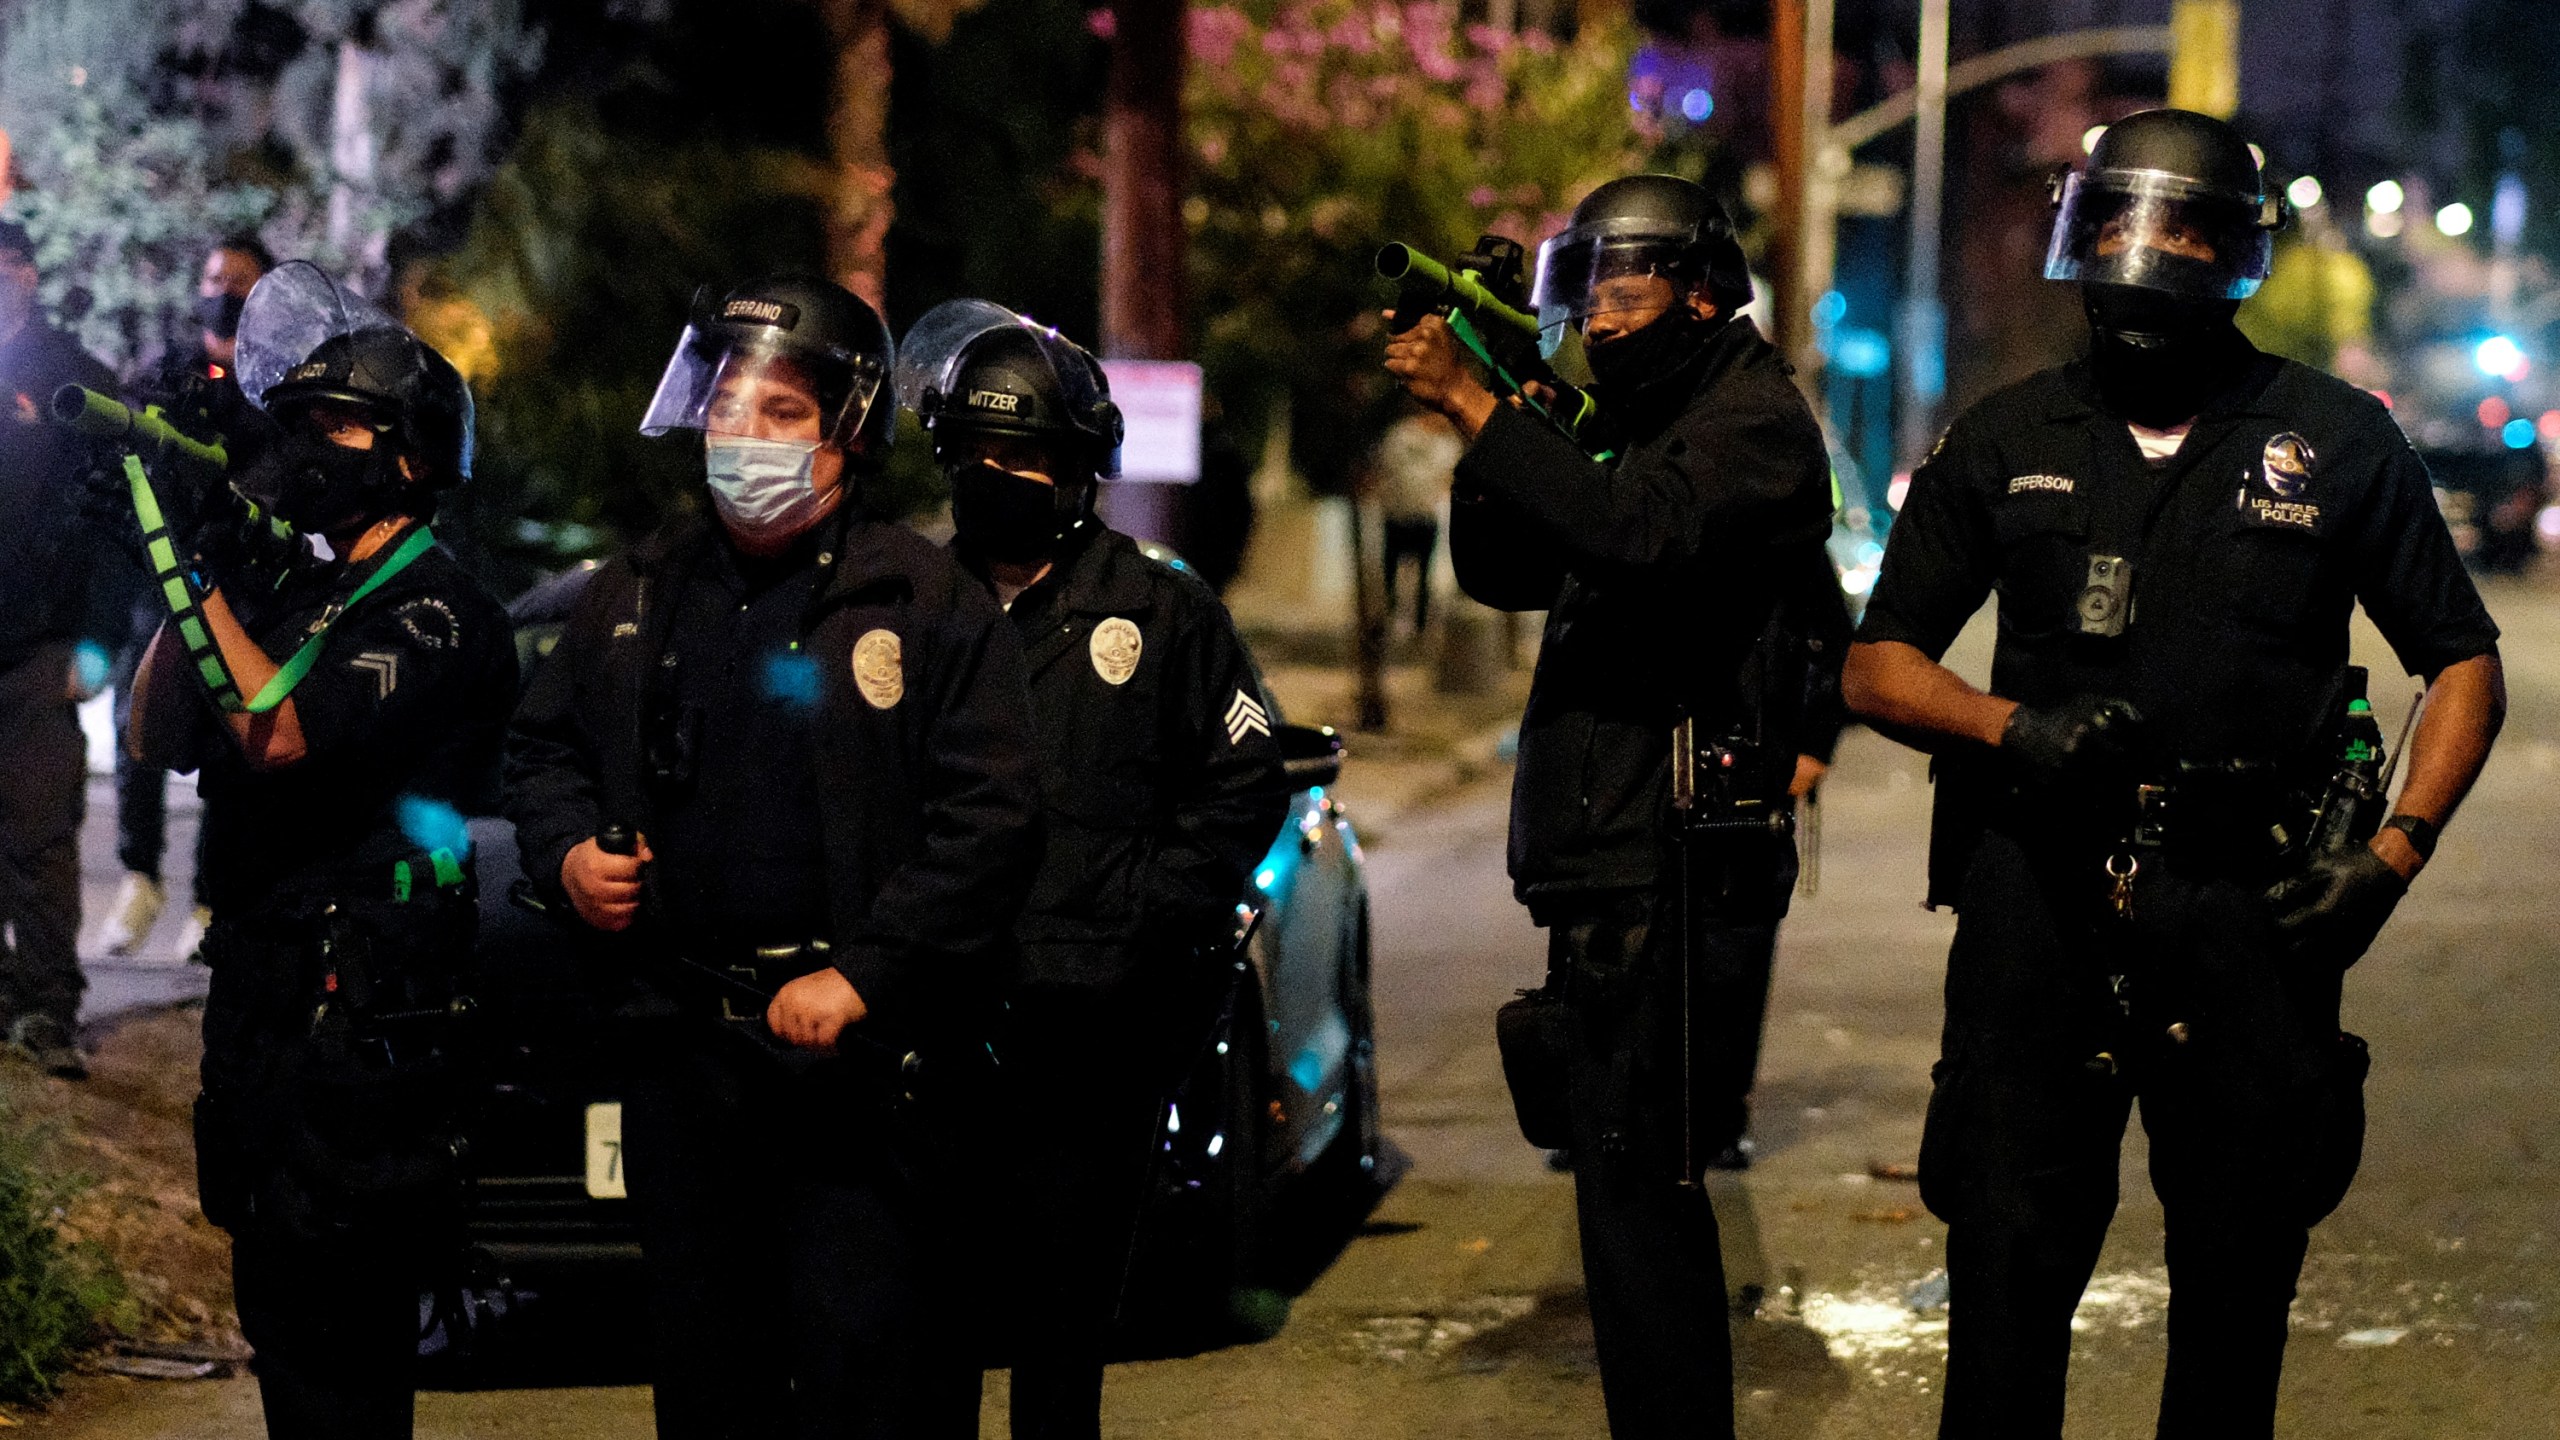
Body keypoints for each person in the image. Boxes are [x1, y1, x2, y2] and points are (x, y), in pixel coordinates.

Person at [1841, 110, 2505, 1437]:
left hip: (2250, 916)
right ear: (2080, 242)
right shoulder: (2006, 432)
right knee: (2006, 1305)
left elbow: (2463, 666)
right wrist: (2005, 730)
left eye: (2189, 229)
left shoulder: (2333, 441)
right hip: (2038, 905)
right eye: (2123, 227)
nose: (2151, 259)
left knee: (2233, 1312)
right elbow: (1878, 666)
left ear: (2240, 254)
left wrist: (2393, 856)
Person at [505, 275, 1042, 1440]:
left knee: (869, 1377)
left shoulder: (923, 600)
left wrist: (865, 973)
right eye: (726, 403)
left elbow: (991, 821)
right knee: (707, 1381)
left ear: (849, 428)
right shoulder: (640, 588)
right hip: (683, 1057)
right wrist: (562, 861)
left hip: (858, 1076)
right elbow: (539, 752)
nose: (741, 434)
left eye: (781, 412)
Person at [1384, 175, 1838, 1438]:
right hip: (1612, 859)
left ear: (1703, 289)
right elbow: (1508, 565)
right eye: (1588, 292)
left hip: (1681, 859)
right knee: (1618, 1189)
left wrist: (1485, 406)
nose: (1604, 317)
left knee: (1647, 1192)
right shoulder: (1635, 419)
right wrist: (1510, 415)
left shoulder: (1752, 423)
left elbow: (1640, 535)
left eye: (1625, 289)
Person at [114, 260, 514, 1436]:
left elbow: (278, 730)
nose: (306, 449)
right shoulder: (299, 594)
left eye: (334, 426)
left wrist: (192, 566)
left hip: (366, 1049)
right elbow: (154, 732)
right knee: (287, 1347)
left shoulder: (437, 610)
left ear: (409, 451)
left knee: (346, 1370)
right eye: (292, 425)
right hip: (263, 1022)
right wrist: (202, 568)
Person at [897, 300, 1290, 1439]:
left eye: (1024, 455)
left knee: (1062, 1341)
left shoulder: (1159, 610)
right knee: (929, 1331)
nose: (996, 473)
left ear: (1079, 468)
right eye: (976, 450)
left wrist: (1138, 924)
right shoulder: (911, 603)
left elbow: (1242, 779)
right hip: (936, 1020)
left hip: (1092, 1038)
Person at [97, 234, 274, 958]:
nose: (222, 291)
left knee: (231, 743)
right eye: (213, 276)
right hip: (161, 586)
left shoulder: (273, 385)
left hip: (240, 595)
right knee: (134, 726)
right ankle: (140, 874)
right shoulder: (168, 372)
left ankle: (208, 899)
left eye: (239, 281)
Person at [0, 219, 121, 1078]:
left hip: (41, 648)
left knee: (40, 834)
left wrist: (99, 642)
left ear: (26, 275)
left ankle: (47, 1006)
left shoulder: (73, 381)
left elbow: (115, 523)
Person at [1371, 409, 1459, 637]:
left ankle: (1419, 625)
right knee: (1391, 571)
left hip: (1425, 516)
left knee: (1423, 575)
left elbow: (1448, 475)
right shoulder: (1402, 436)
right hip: (1398, 514)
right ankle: (1387, 620)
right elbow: (1386, 467)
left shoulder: (1447, 445)